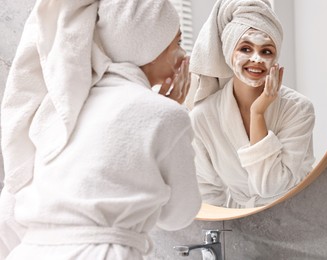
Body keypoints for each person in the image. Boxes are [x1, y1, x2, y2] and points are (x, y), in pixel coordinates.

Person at [0, 0, 201, 259]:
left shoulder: (63, 111)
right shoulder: (166, 115)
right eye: (177, 43)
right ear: (150, 45)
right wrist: (171, 111)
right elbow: (179, 215)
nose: (184, 55)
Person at [188, 0, 315, 208]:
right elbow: (206, 192)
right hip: (238, 223)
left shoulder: (298, 109)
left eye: (266, 51)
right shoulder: (203, 117)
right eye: (245, 49)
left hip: (297, 215)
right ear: (229, 54)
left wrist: (258, 113)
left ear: (276, 58)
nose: (256, 58)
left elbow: (270, 187)